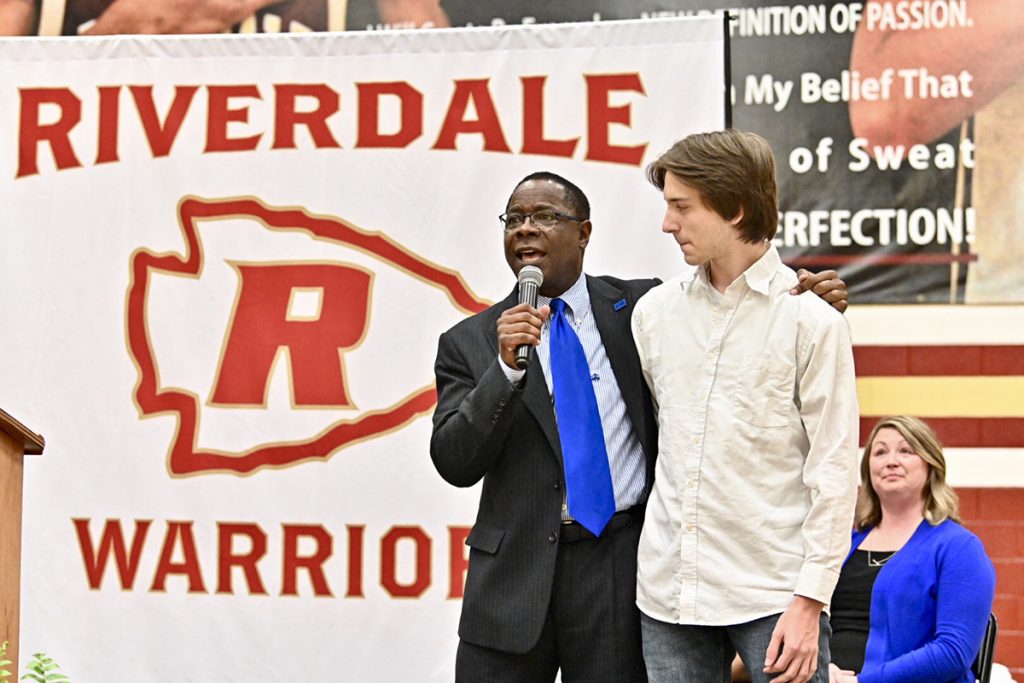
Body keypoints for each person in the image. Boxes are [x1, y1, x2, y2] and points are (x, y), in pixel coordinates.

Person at [430, 169, 849, 681]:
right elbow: (454, 462)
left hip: (617, 569)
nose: (526, 228)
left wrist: (808, 301)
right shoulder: (470, 341)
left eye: (544, 216)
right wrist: (505, 370)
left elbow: (731, 313)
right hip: (511, 583)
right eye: (513, 219)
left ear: (584, 232)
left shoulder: (645, 310)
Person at [631, 130, 859, 683]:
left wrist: (811, 601)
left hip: (777, 596)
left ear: (734, 208)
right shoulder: (653, 315)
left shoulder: (811, 321)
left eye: (682, 207)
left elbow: (834, 471)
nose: (667, 224)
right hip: (668, 594)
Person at [828, 415, 996, 683]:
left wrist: (860, 682)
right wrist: (820, 666)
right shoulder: (844, 544)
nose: (891, 461)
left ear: (931, 465)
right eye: (880, 452)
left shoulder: (958, 548)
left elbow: (953, 653)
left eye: (905, 451)